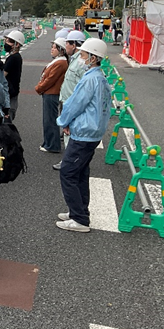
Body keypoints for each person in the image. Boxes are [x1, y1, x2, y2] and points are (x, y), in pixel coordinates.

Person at [55, 39, 111, 233]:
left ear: (93, 58)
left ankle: (79, 218)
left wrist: (63, 121)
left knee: (68, 172)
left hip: (84, 133)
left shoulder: (89, 79)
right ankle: (78, 211)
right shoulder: (101, 77)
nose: (81, 58)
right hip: (93, 131)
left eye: (84, 55)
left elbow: (75, 104)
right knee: (80, 173)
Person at [53, 30, 87, 170]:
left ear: (74, 45)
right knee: (69, 133)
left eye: (67, 43)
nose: (65, 45)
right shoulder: (74, 59)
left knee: (70, 133)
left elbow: (84, 87)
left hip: (72, 104)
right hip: (67, 101)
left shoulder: (81, 63)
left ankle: (69, 162)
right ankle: (71, 160)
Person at [35, 37, 68, 153]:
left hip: (51, 93)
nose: (52, 49)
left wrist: (38, 88)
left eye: (55, 48)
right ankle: (49, 143)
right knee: (48, 120)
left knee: (50, 120)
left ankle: (52, 145)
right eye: (52, 47)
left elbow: (50, 79)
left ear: (62, 50)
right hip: (50, 93)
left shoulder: (61, 63)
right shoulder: (59, 61)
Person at [3, 30, 25, 121]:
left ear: (17, 44)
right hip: (13, 91)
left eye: (10, 41)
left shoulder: (13, 58)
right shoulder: (16, 57)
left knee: (7, 119)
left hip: (10, 93)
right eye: (6, 40)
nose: (7, 43)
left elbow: (3, 75)